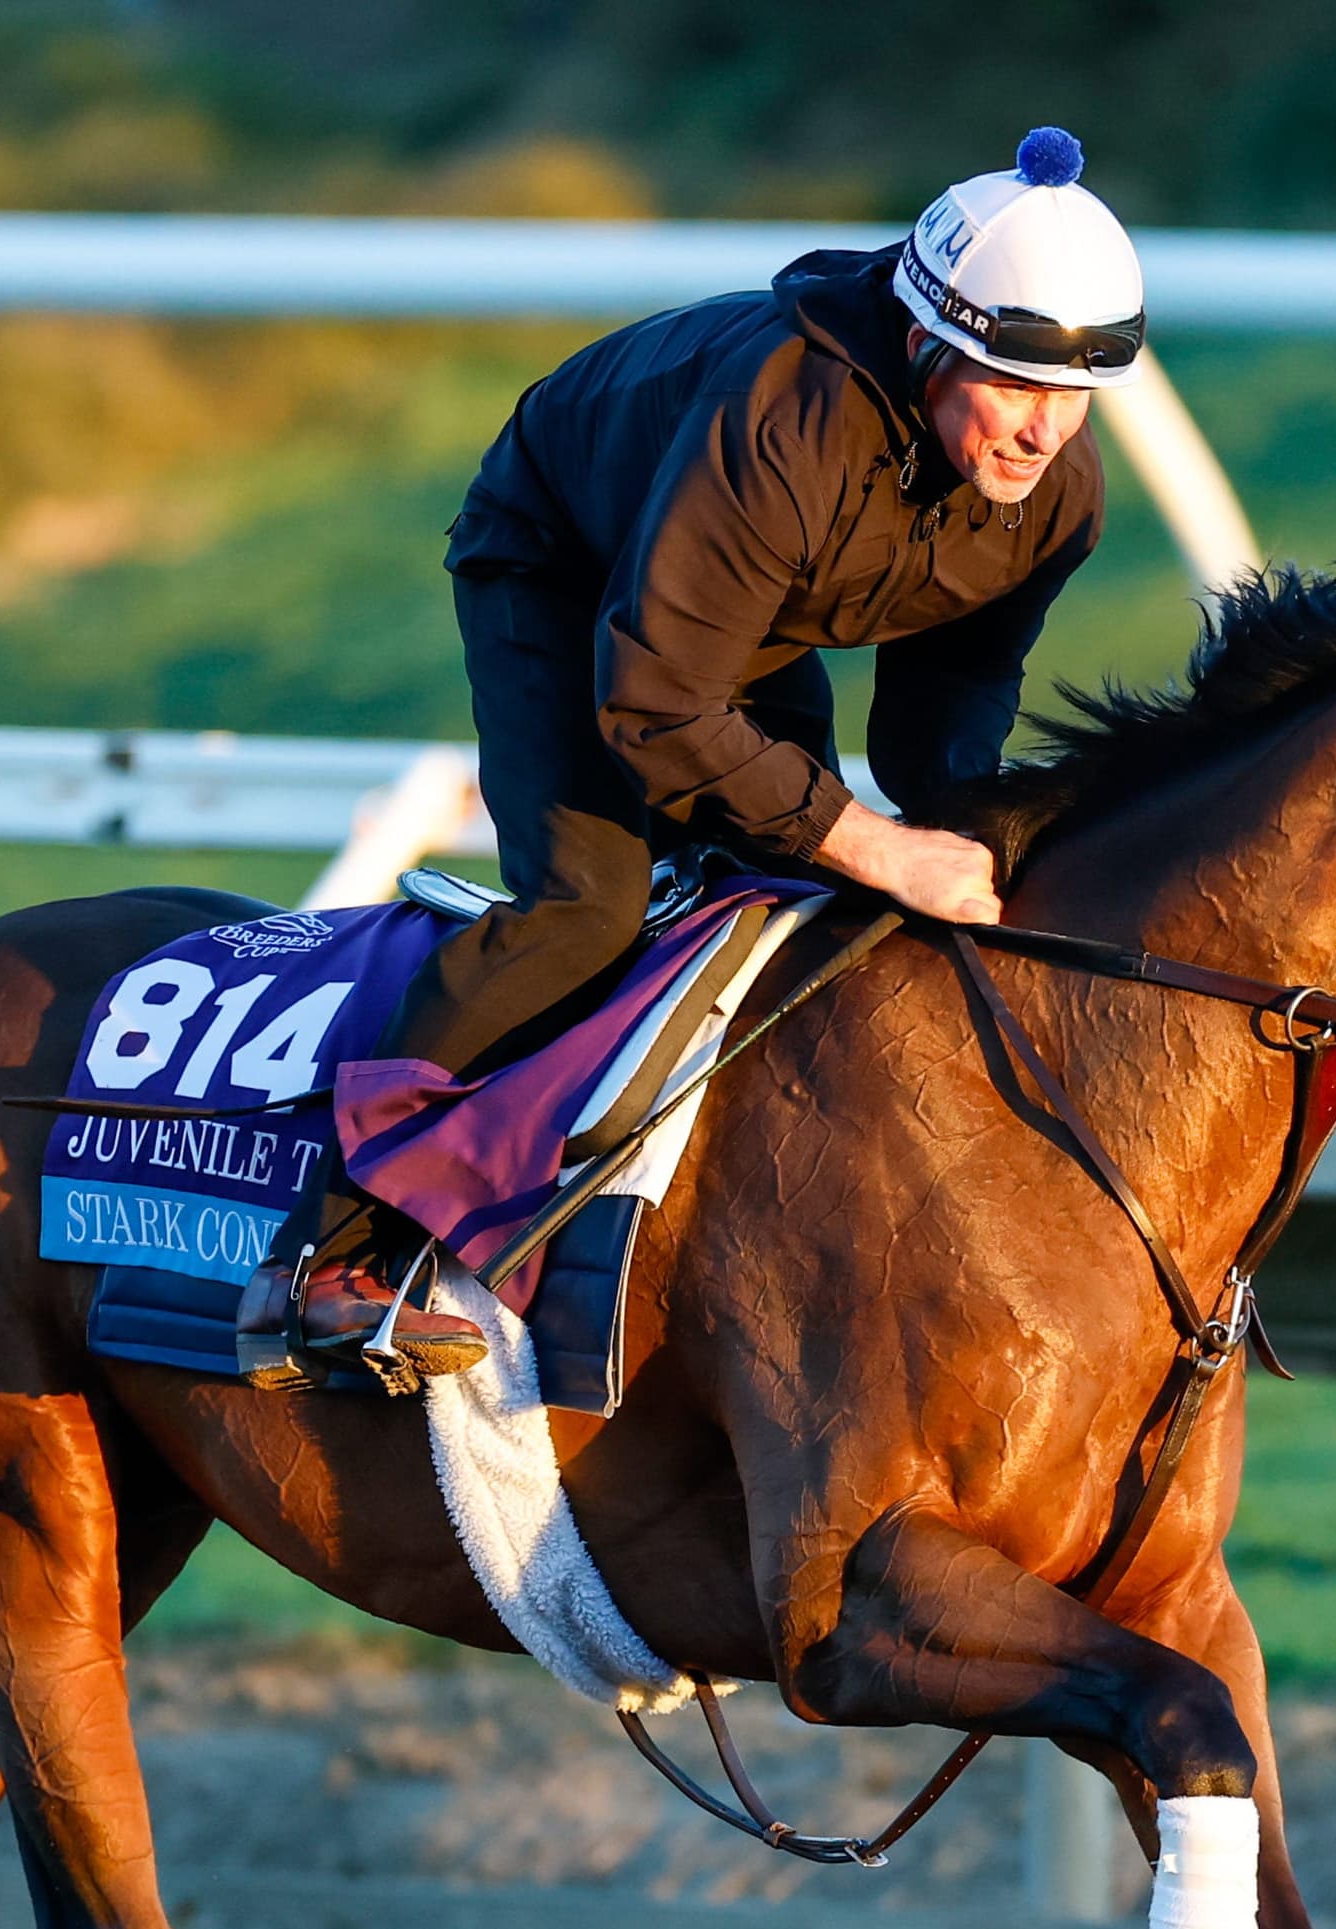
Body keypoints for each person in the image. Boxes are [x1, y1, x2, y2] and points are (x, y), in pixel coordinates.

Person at [297, 125, 1148, 1380]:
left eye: (1073, 395)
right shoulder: (779, 429)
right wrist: (870, 842)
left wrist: (972, 837)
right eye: (1013, 385)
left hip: (736, 606)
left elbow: (943, 715)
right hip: (567, 563)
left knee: (794, 888)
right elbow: (653, 703)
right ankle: (327, 1249)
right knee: (587, 910)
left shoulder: (1054, 504)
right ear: (925, 347)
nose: (1042, 432)